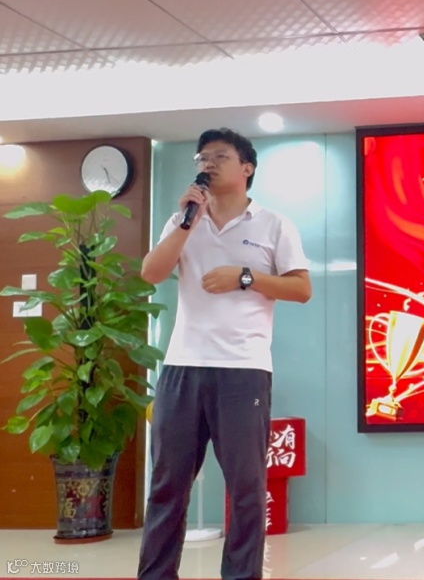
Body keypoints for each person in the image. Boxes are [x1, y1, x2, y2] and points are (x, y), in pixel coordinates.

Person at [137, 128, 312, 580]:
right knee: (167, 484)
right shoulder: (183, 221)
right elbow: (150, 273)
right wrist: (185, 224)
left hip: (242, 370)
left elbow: (301, 288)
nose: (208, 164)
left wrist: (245, 277)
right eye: (202, 158)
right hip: (182, 367)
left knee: (246, 487)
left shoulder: (274, 224)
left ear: (247, 168)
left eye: (220, 156)